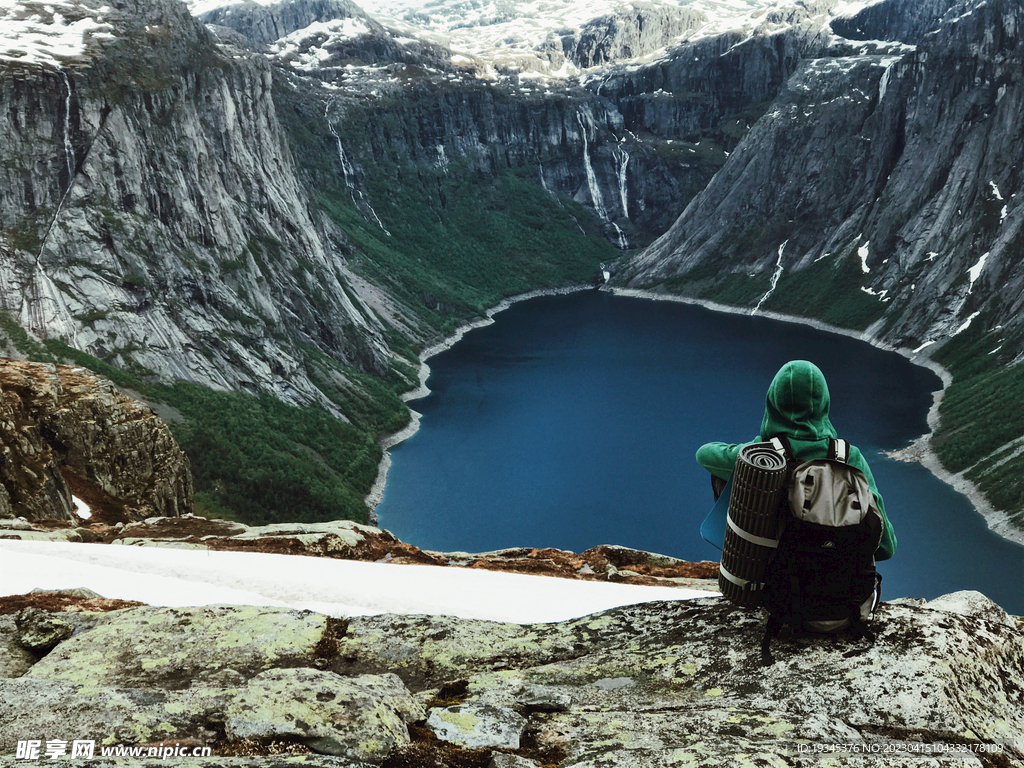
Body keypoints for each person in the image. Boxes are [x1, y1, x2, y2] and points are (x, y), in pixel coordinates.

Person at [696, 359, 896, 561]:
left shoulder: (762, 455)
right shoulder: (850, 458)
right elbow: (886, 548)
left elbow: (704, 454)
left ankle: (746, 558)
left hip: (772, 585)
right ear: (824, 401)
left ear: (773, 401)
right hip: (846, 587)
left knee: (727, 473)